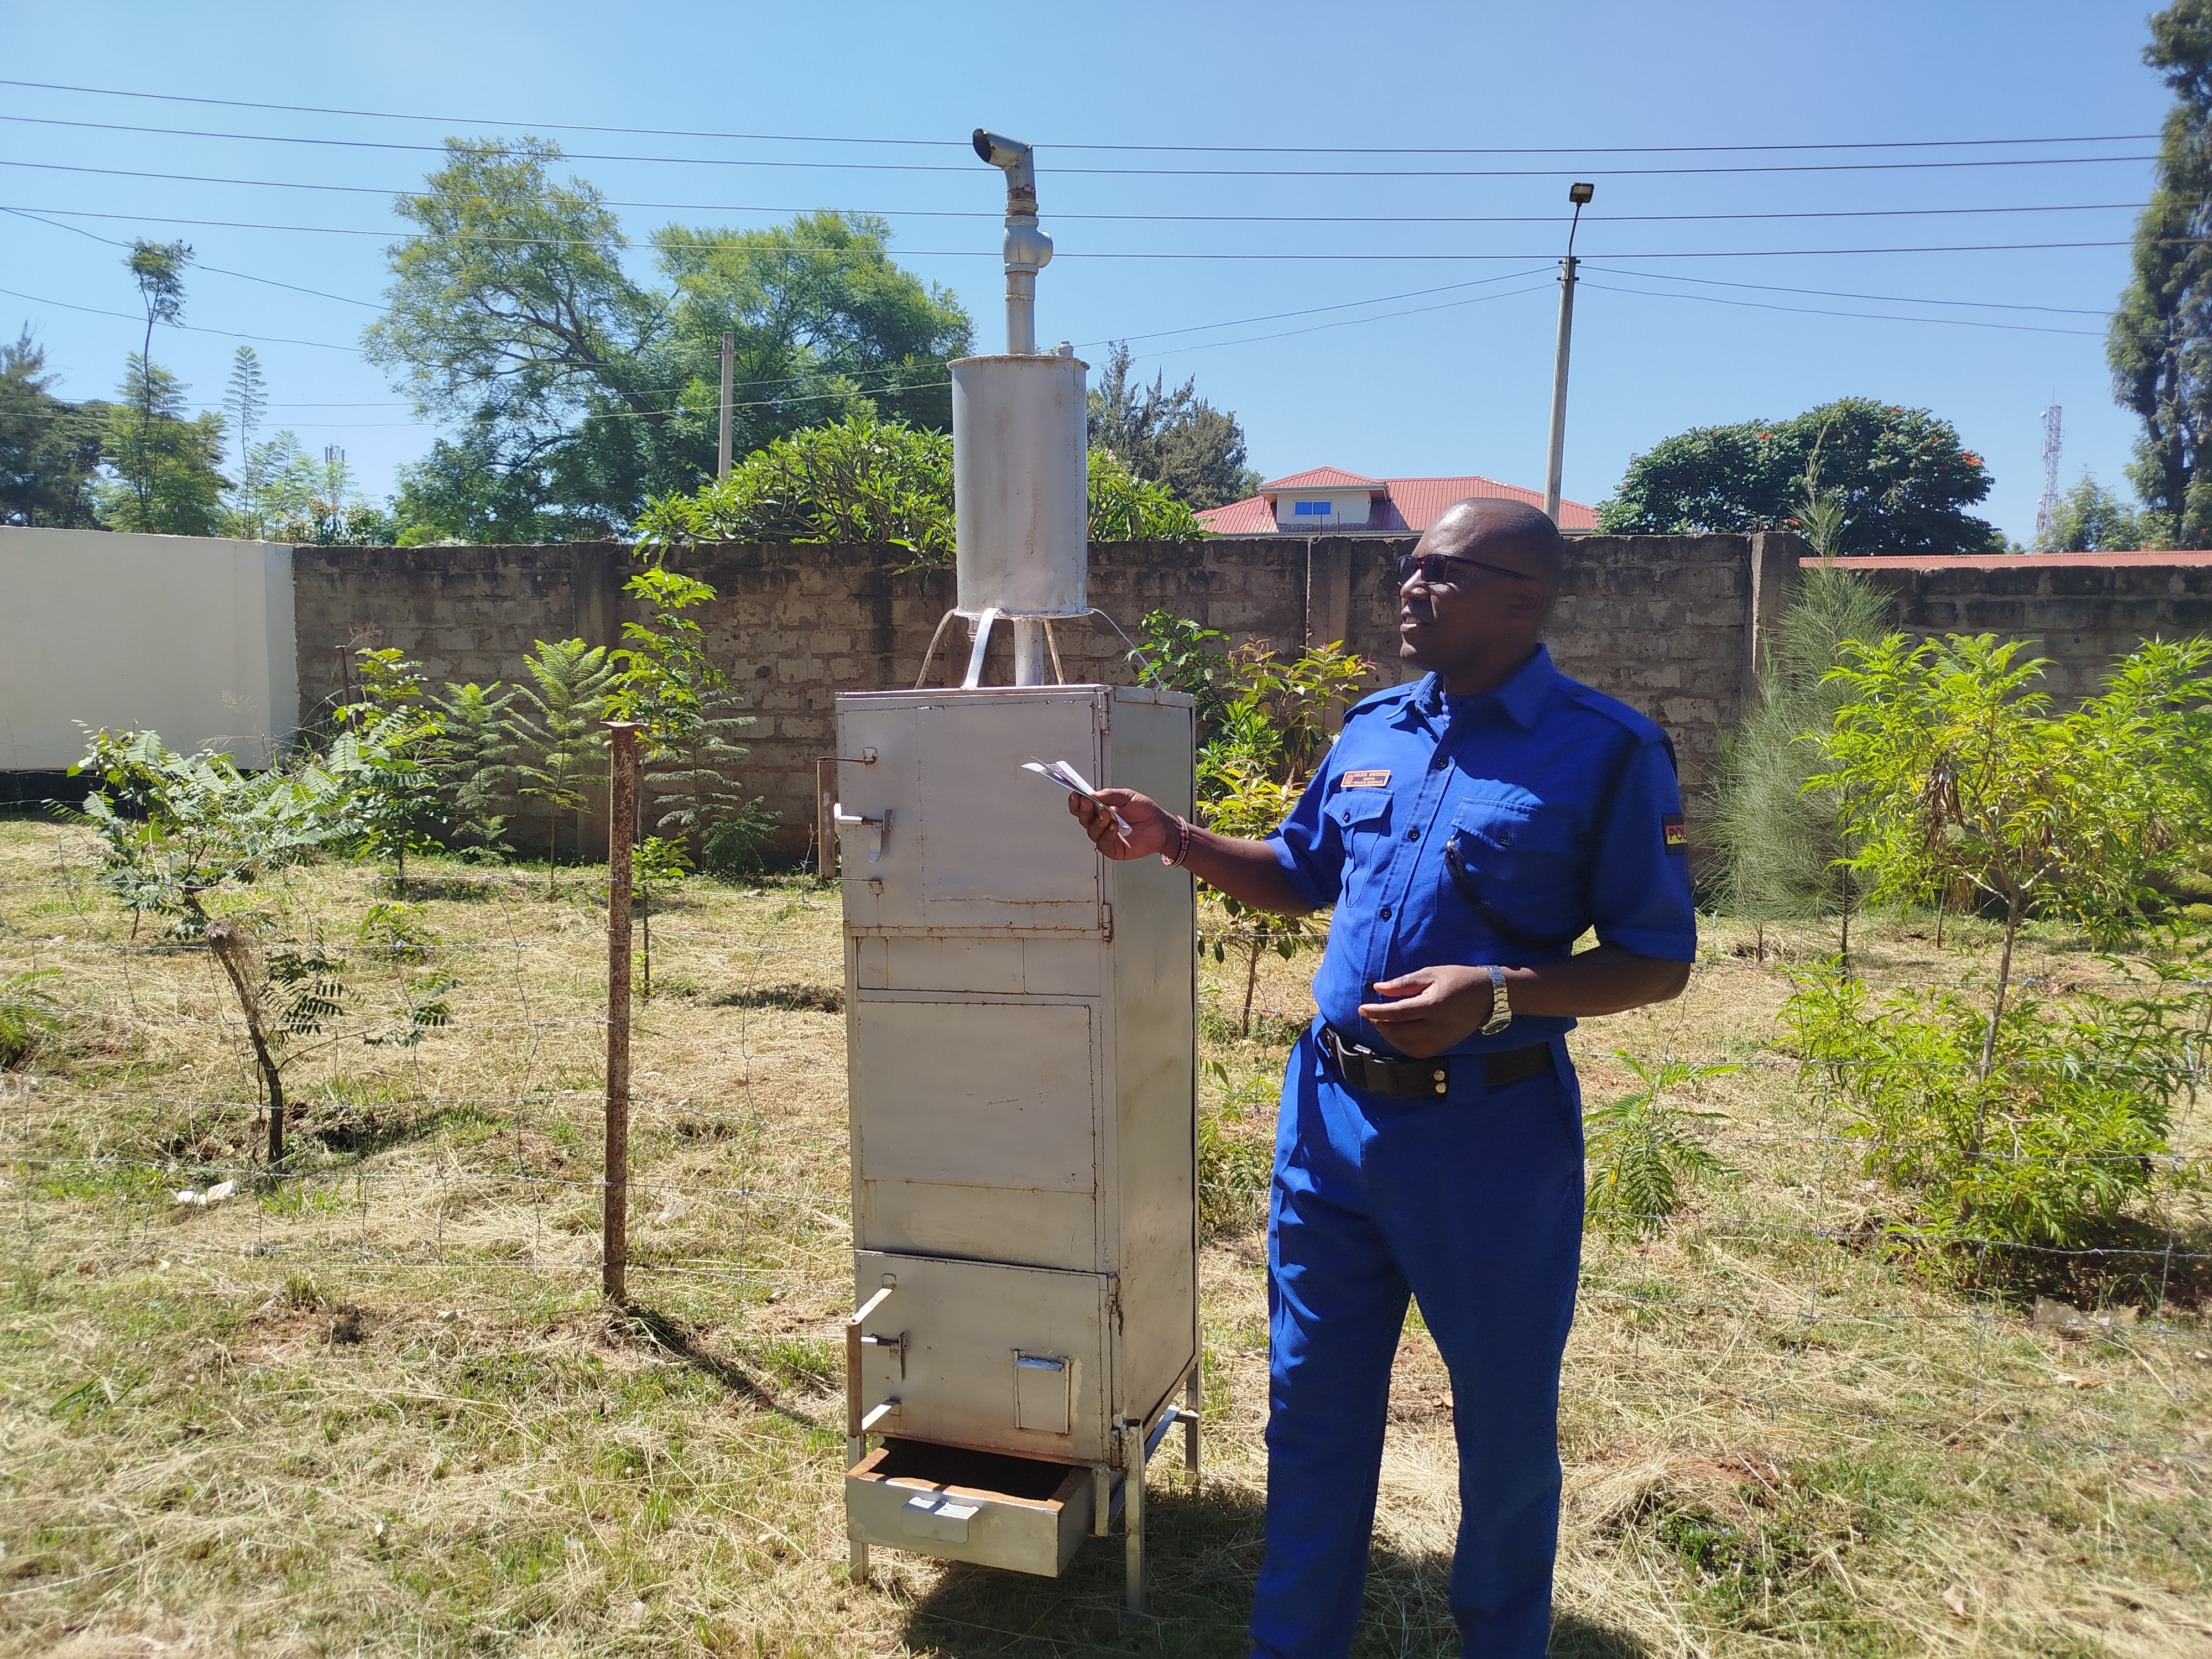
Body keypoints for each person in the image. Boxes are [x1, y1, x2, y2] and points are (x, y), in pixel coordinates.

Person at [1069, 497, 1697, 1658]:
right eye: (1409, 569)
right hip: (1328, 1129)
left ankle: (1499, 1640)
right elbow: (1300, 872)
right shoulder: (1371, 730)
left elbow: (1656, 960)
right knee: (1311, 1413)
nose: (1410, 590)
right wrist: (1177, 840)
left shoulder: (1603, 751)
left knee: (1502, 1430)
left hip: (1487, 1146)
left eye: (1443, 574)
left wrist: (1498, 994)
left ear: (1527, 596)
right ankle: (1293, 1642)